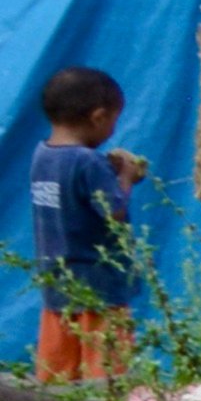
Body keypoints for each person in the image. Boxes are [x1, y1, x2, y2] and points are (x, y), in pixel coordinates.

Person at [23, 64, 153, 383]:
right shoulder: (88, 162)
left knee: (58, 369)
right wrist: (125, 176)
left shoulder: (42, 155)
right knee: (105, 368)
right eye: (113, 120)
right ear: (98, 117)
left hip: (56, 280)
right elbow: (115, 212)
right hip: (98, 284)